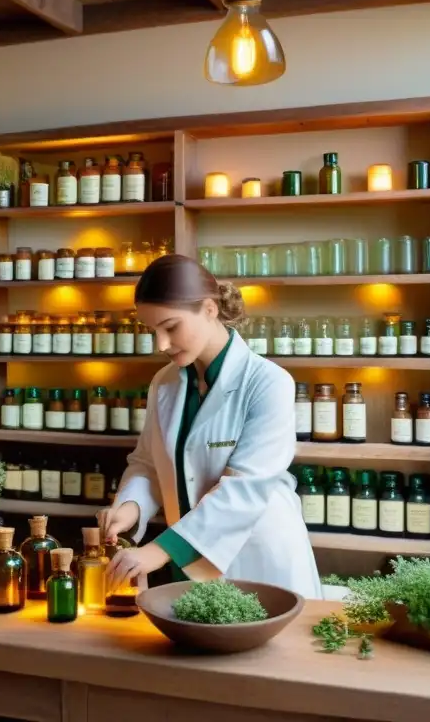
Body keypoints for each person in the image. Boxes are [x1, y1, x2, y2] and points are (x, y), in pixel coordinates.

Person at [100, 254, 321, 599]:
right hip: (183, 556)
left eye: (170, 327)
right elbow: (148, 463)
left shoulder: (268, 382)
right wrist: (130, 506)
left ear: (209, 309)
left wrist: (157, 552)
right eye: (152, 330)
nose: (161, 344)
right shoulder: (165, 382)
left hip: (254, 557)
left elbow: (243, 490)